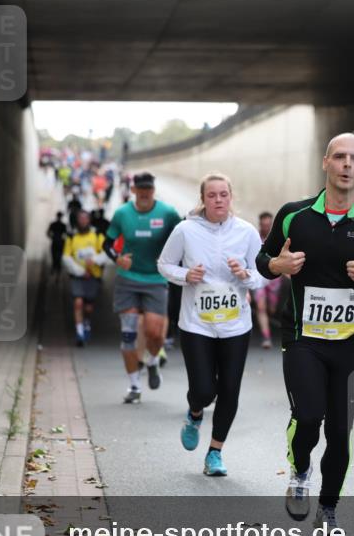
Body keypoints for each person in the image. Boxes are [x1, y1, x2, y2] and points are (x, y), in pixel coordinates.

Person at [256, 133, 354, 532]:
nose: (346, 164)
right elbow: (262, 259)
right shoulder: (294, 215)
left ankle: (328, 508)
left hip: (351, 345)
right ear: (325, 163)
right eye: (339, 157)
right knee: (308, 417)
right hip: (304, 339)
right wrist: (278, 266)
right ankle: (300, 470)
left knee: (340, 431)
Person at [158, 173, 265, 476]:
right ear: (202, 199)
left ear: (231, 197)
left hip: (235, 326)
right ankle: (194, 415)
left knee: (230, 390)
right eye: (212, 195)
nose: (218, 200)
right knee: (204, 390)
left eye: (223, 195)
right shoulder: (185, 230)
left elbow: (262, 275)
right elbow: (164, 264)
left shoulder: (246, 232)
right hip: (197, 324)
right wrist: (185, 276)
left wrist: (245, 274)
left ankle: (214, 454)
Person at [102, 172, 181, 404]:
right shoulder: (122, 213)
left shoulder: (167, 213)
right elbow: (107, 242)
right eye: (141, 189)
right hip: (128, 279)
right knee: (128, 336)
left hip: (156, 279)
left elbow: (183, 236)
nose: (145, 193)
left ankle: (153, 361)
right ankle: (134, 386)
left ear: (153, 190)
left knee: (154, 333)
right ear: (134, 190)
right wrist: (117, 258)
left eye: (149, 189)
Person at [62, 210, 108, 346]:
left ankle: (87, 322)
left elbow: (106, 253)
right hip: (78, 276)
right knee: (78, 302)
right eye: (80, 219)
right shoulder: (71, 237)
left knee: (88, 307)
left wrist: (94, 260)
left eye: (85, 218)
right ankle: (80, 332)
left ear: (89, 220)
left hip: (93, 276)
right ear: (77, 221)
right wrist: (79, 271)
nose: (83, 221)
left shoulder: (97, 235)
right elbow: (66, 257)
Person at [253, 212, 282, 349]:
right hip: (259, 277)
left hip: (274, 279)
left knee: (271, 308)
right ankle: (266, 337)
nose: (266, 228)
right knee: (261, 307)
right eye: (263, 225)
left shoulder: (278, 238)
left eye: (268, 225)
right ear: (260, 225)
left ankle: (269, 319)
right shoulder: (254, 237)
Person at [46, 211, 68, 276]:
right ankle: (57, 267)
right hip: (60, 242)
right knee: (57, 255)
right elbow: (66, 234)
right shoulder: (63, 225)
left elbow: (48, 233)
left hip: (56, 242)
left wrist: (52, 237)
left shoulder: (54, 224)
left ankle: (55, 267)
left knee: (54, 255)